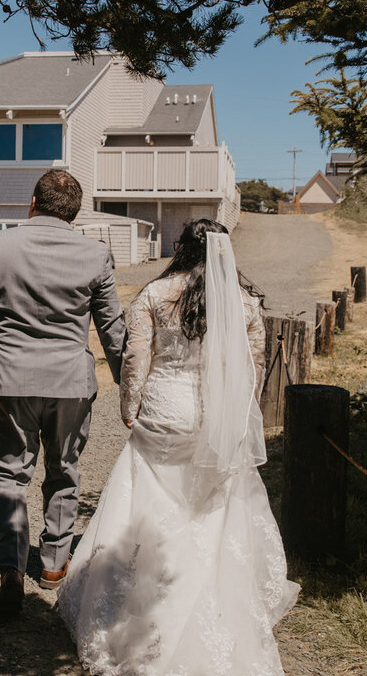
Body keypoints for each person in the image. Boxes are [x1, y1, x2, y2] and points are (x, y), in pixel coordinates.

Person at [58, 219, 299, 675]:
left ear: (182, 248)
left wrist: (130, 404)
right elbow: (254, 365)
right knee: (209, 506)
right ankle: (213, 589)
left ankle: (143, 595)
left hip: (166, 412)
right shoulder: (243, 302)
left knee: (150, 499)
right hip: (215, 418)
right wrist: (236, 417)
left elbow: (136, 358)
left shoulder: (154, 294)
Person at [0, 169, 127, 618]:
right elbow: (112, 327)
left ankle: (11, 568)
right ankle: (54, 563)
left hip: (7, 378)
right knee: (63, 467)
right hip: (70, 382)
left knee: (8, 474)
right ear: (74, 212)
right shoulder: (96, 255)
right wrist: (128, 381)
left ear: (33, 201)